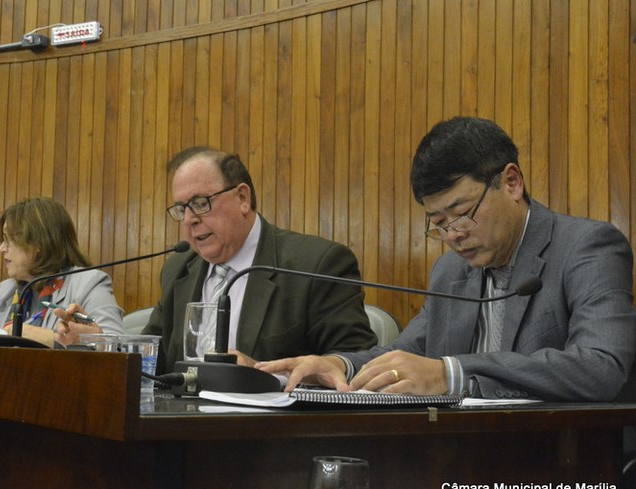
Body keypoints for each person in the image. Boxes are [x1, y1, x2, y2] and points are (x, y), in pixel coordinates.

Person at [258, 116, 636, 403]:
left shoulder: (585, 247)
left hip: (559, 456)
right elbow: (407, 353)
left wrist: (452, 374)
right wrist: (339, 365)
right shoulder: (451, 270)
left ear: (512, 182)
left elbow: (602, 367)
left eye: (462, 213)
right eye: (439, 223)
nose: (453, 235)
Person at [142, 146, 378, 373]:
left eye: (200, 203)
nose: (189, 220)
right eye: (182, 209)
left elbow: (355, 361)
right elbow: (150, 358)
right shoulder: (179, 268)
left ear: (243, 198)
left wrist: (264, 375)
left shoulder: (316, 265)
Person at [0, 197, 126, 347]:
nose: (1, 248)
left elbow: (117, 347)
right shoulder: (6, 290)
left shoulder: (88, 283)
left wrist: (52, 339)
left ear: (38, 242)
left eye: (8, 239)